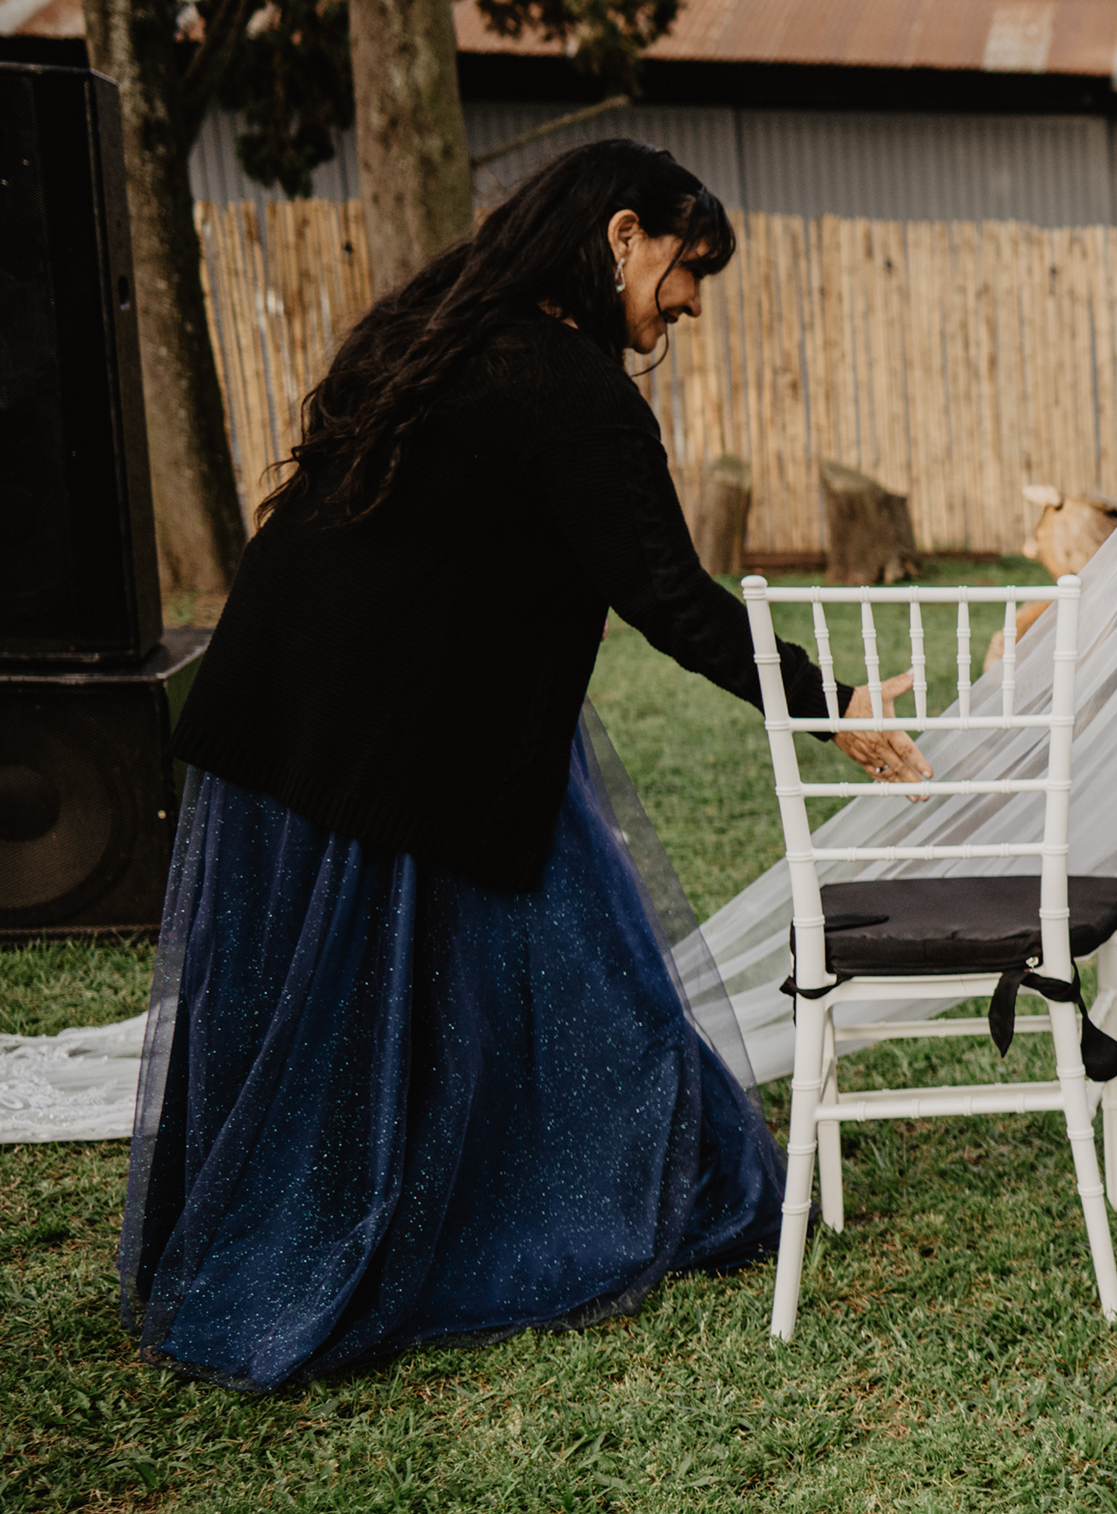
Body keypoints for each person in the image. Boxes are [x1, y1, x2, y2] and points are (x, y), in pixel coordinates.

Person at [125, 141, 928, 1394]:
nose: (689, 301)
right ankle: (454, 1221)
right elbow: (670, 596)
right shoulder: (571, 390)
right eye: (685, 266)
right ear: (621, 236)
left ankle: (311, 1213)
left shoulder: (437, 332)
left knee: (335, 998)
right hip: (387, 736)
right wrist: (832, 706)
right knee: (543, 980)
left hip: (282, 704)